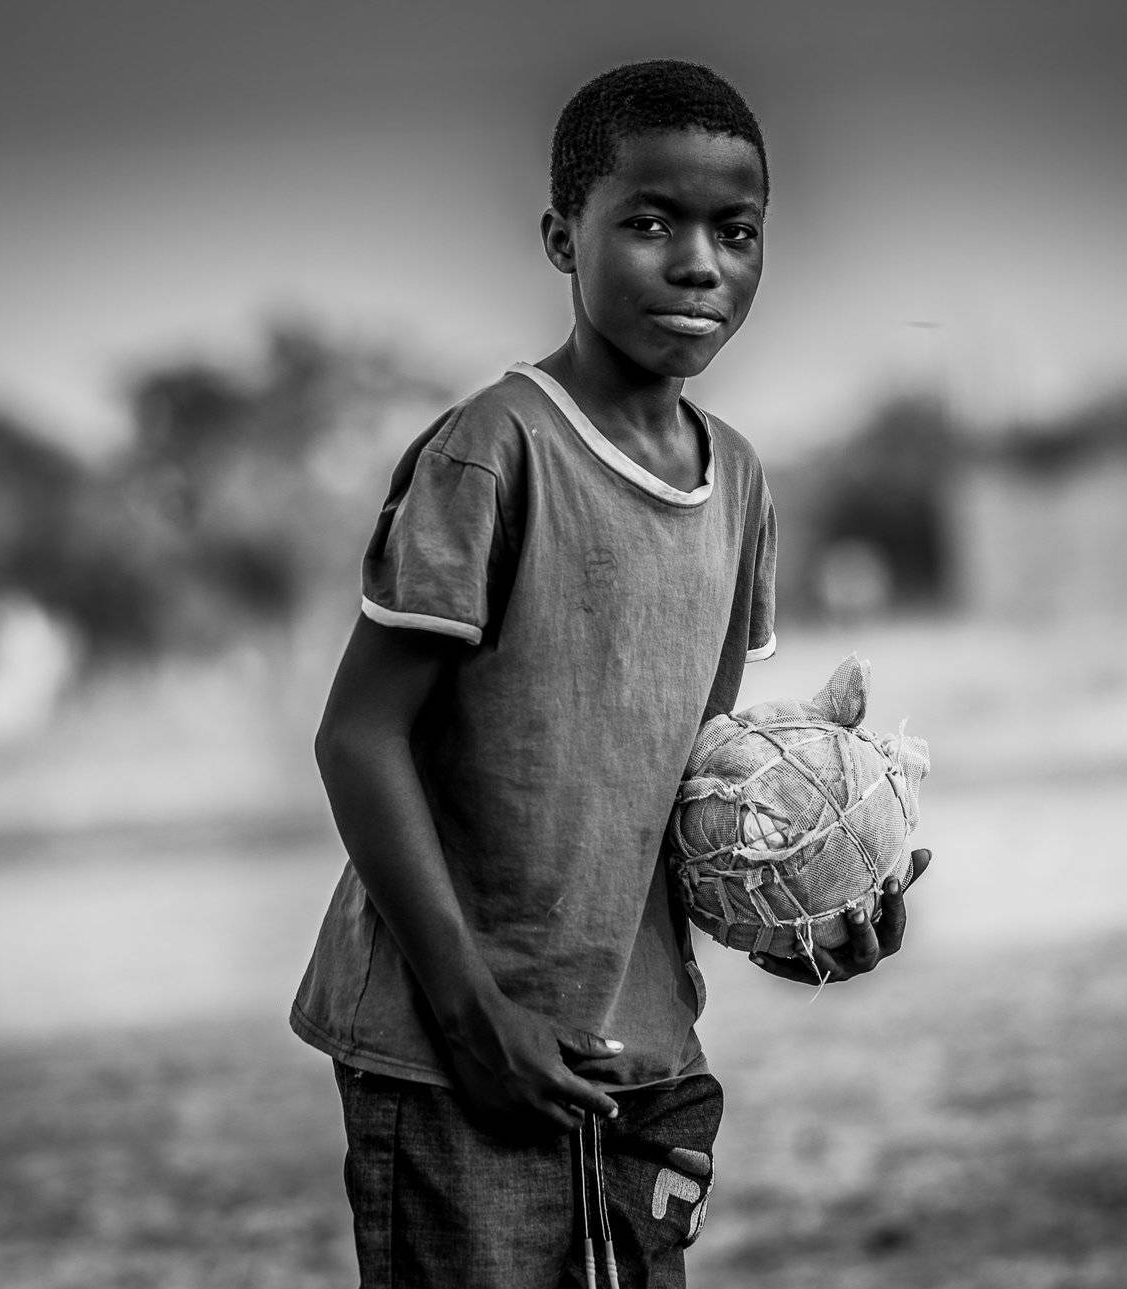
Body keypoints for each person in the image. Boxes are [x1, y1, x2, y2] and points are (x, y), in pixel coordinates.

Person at [290, 58, 929, 1288]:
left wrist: (805, 913)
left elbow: (685, 788)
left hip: (642, 1049)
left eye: (736, 231)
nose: (698, 263)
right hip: (455, 1044)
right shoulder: (496, 451)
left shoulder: (738, 482)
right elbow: (357, 737)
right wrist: (476, 1016)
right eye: (649, 222)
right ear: (560, 238)